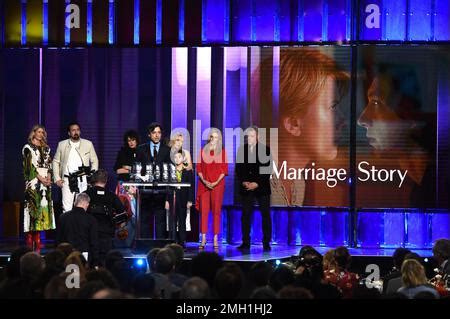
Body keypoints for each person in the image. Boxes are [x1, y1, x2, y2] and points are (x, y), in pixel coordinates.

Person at [259, 48, 350, 206]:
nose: (343, 120)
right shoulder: (259, 187)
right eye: (332, 107)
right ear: (293, 123)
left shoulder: (297, 182)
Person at [357, 64, 435, 207]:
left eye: (376, 102)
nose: (361, 120)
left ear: (409, 110)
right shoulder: (423, 192)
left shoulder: (439, 193)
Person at [236, 126, 272, 251]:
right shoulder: (242, 150)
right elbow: (239, 169)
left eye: (252, 136)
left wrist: (256, 183)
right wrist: (245, 181)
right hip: (246, 187)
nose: (249, 138)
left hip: (261, 187)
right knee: (245, 215)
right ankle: (245, 242)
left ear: (257, 136)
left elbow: (267, 170)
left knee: (265, 215)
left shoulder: (265, 150)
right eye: (248, 136)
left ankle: (266, 242)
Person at [22, 125, 56, 253]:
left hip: (45, 184)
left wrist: (48, 178)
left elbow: (49, 165)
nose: (41, 134)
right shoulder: (27, 148)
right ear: (34, 133)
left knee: (43, 209)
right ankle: (30, 240)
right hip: (34, 182)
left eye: (43, 132)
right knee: (33, 210)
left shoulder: (46, 148)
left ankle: (39, 241)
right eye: (39, 132)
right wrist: (40, 178)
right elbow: (28, 167)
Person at [136, 122, 172, 238]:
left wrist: (168, 195)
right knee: (145, 219)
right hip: (145, 190)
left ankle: (160, 247)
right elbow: (137, 168)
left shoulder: (167, 150)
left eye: (159, 133)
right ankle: (146, 246)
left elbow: (169, 170)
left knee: (160, 220)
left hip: (161, 191)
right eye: (154, 132)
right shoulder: (141, 149)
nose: (157, 135)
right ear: (149, 135)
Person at [53, 122, 99, 212]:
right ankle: (68, 226)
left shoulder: (88, 144)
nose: (76, 132)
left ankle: (80, 226)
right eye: (73, 130)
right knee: (67, 207)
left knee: (81, 206)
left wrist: (92, 177)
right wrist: (57, 178)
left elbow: (94, 160)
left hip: (82, 179)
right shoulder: (62, 144)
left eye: (77, 130)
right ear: (69, 133)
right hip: (67, 179)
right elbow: (55, 161)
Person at [84, 169, 126, 264]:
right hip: (107, 237)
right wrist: (120, 229)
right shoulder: (112, 196)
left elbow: (79, 213)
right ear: (106, 181)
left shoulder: (85, 194)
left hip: (88, 237)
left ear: (93, 179)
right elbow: (122, 216)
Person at [196, 128, 228, 249]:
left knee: (216, 211)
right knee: (204, 211)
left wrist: (215, 183)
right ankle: (203, 238)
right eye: (211, 137)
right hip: (204, 185)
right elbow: (198, 168)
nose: (213, 139)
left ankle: (215, 238)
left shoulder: (222, 152)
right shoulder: (202, 151)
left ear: (219, 139)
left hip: (217, 185)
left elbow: (224, 169)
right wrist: (204, 181)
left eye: (215, 137)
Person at [113, 130, 140, 247]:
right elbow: (118, 170)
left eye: (133, 140)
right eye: (129, 140)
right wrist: (132, 169)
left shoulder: (141, 152)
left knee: (136, 214)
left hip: (137, 186)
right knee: (124, 214)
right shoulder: (122, 152)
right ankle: (123, 242)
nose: (131, 143)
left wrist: (128, 167)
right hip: (124, 185)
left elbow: (142, 170)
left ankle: (135, 240)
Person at [56, 193, 98, 265]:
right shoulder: (91, 219)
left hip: (67, 255)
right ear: (86, 204)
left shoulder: (63, 217)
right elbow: (93, 242)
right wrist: (96, 262)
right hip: (84, 256)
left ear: (75, 202)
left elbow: (58, 239)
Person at [171, 150, 194, 247]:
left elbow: (191, 187)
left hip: (183, 198)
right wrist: (167, 200)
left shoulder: (188, 171)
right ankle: (172, 241)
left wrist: (190, 200)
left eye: (179, 157)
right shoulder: (170, 171)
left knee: (182, 220)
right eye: (175, 157)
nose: (177, 159)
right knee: (173, 220)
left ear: (183, 158)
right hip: (173, 197)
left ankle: (182, 242)